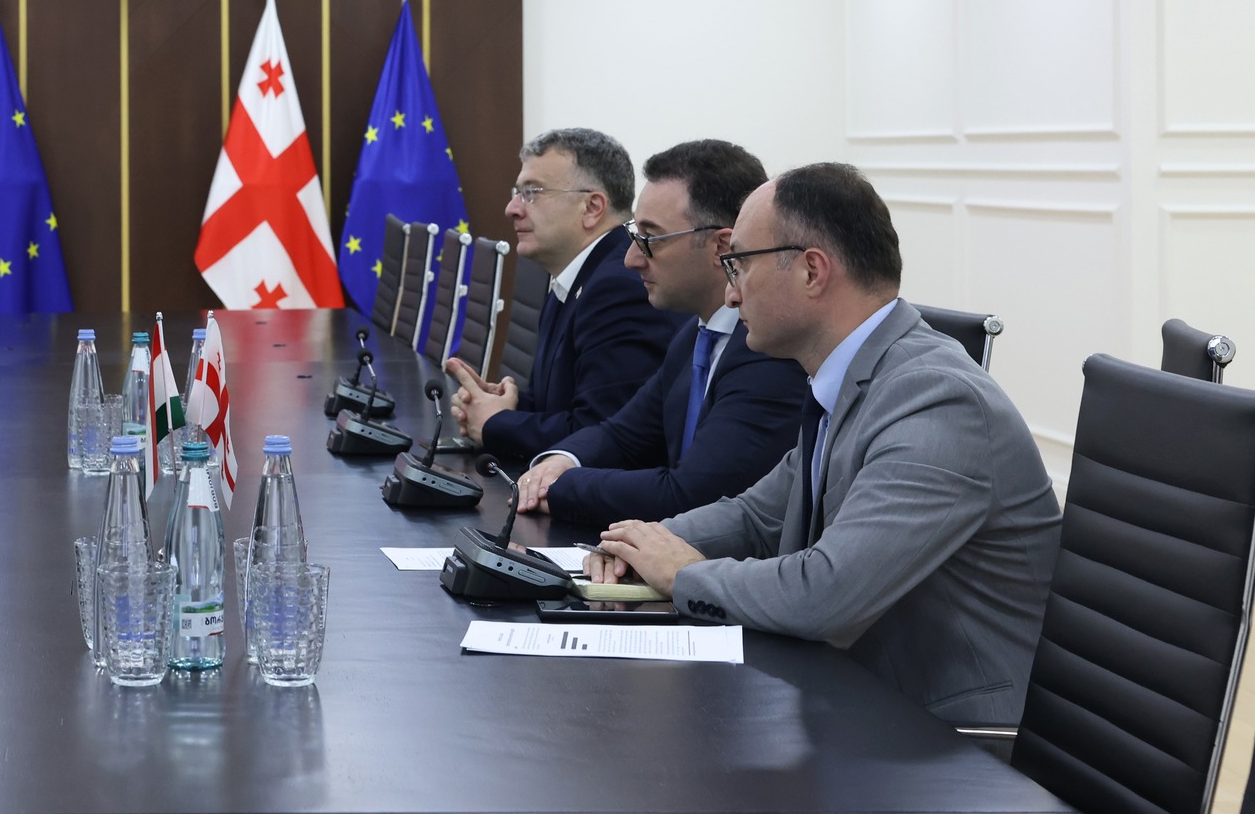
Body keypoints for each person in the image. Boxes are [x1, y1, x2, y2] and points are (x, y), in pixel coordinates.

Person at [587, 163, 1061, 725]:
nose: (730, 292)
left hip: (949, 737)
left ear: (812, 271)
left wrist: (682, 576)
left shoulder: (938, 400)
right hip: (855, 699)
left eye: (739, 263)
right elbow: (757, 517)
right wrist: (641, 546)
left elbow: (826, 593)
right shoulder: (850, 378)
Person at [510, 140, 809, 524]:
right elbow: (621, 435)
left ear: (721, 247)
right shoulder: (694, 335)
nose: (631, 258)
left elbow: (690, 496)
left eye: (649, 239)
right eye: (635, 236)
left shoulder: (769, 350)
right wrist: (562, 461)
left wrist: (558, 487)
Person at [444, 128, 688, 461]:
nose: (512, 208)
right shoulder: (576, 274)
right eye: (517, 193)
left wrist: (495, 424)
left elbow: (601, 433)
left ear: (592, 207)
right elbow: (562, 405)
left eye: (532, 192)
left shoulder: (619, 288)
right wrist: (503, 406)